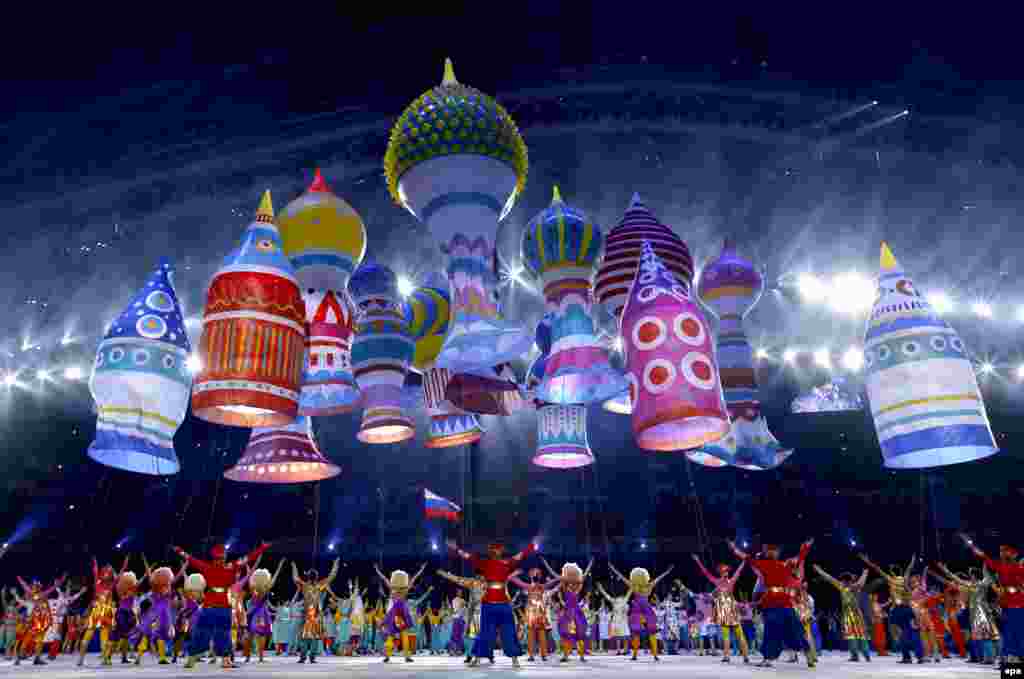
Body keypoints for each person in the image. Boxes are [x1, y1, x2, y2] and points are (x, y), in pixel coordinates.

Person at [172, 540, 271, 669]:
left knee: (204, 632)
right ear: (223, 557)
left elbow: (191, 559)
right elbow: (248, 558)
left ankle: (193, 659)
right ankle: (223, 660)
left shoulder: (208, 567)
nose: (221, 559)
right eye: (221, 557)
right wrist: (261, 548)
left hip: (210, 605)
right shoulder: (231, 566)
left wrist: (180, 551)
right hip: (223, 605)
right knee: (223, 633)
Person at [448, 538, 538, 668]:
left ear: (500, 551)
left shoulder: (506, 563)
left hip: (502, 603)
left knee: (508, 631)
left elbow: (521, 555)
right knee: (485, 632)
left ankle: (514, 659)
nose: (496, 552)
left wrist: (531, 547)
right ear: (491, 552)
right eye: (494, 549)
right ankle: (477, 659)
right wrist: (456, 549)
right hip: (489, 603)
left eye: (498, 549)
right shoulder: (486, 563)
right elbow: (468, 557)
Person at [729, 539, 814, 668]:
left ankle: (808, 655)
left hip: (784, 602)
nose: (771, 552)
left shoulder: (786, 564)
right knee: (770, 631)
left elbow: (800, 557)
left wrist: (806, 546)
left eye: (773, 550)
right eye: (768, 550)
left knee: (796, 628)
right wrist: (734, 549)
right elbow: (746, 558)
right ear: (766, 552)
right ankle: (768, 658)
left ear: (777, 552)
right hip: (771, 602)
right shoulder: (763, 564)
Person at [961, 534, 1024, 664]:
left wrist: (1014, 589)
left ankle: (1015, 656)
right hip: (1006, 604)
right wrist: (972, 546)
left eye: (1004, 550)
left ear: (1013, 553)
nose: (1001, 553)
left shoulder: (1019, 567)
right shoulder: (1001, 566)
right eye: (1000, 551)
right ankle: (1009, 656)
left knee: (1016, 630)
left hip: (1018, 603)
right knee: (1008, 631)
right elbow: (984, 557)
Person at [859, 552, 924, 663]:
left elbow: (877, 569)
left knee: (903, 633)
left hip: (898, 610)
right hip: (907, 609)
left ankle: (907, 656)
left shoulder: (891, 579)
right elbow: (908, 569)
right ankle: (917, 656)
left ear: (892, 572)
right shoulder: (904, 579)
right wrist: (912, 561)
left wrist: (867, 561)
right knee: (911, 632)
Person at [935, 562, 999, 665]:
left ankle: (990, 658)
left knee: (985, 636)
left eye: (971, 574)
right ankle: (981, 657)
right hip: (973, 613)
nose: (970, 576)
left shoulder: (983, 584)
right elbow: (956, 579)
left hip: (982, 613)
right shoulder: (970, 584)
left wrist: (985, 566)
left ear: (974, 576)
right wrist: (944, 570)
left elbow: (989, 576)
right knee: (977, 637)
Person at [608, 562, 674, 661]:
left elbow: (622, 577)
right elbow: (659, 578)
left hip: (638, 610)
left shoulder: (634, 586)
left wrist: (613, 569)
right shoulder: (648, 585)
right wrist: (667, 572)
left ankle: (638, 655)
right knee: (649, 633)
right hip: (645, 609)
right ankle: (653, 655)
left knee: (637, 634)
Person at [692, 554, 750, 663]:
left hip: (730, 609)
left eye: (726, 572)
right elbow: (706, 573)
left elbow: (739, 571)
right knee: (726, 635)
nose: (725, 573)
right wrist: (698, 561)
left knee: (739, 634)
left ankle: (745, 655)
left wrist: (744, 562)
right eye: (724, 572)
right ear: (721, 573)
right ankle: (728, 656)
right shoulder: (718, 582)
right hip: (725, 610)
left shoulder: (728, 581)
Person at [77, 556, 128, 666]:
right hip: (102, 612)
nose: (105, 573)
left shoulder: (102, 583)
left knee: (94, 635)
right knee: (98, 635)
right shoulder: (106, 584)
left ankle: (86, 659)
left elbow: (118, 572)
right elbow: (119, 572)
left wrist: (96, 563)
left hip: (101, 611)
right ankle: (99, 659)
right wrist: (96, 563)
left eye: (107, 571)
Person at [813, 564, 870, 661]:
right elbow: (861, 581)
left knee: (852, 635)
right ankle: (865, 655)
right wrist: (865, 572)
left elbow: (830, 578)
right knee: (861, 634)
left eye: (842, 580)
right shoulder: (852, 587)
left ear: (844, 580)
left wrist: (820, 571)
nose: (841, 581)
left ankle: (856, 655)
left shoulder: (846, 587)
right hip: (857, 615)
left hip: (851, 615)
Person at [376, 562, 427, 663]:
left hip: (395, 612)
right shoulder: (404, 589)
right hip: (401, 612)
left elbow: (384, 579)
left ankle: (388, 656)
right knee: (403, 635)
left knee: (392, 635)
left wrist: (378, 570)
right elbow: (414, 578)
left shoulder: (393, 589)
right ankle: (405, 656)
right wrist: (421, 569)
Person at [291, 558, 339, 663]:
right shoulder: (319, 585)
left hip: (307, 614)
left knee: (304, 637)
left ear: (308, 576)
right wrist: (335, 565)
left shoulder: (304, 586)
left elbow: (295, 578)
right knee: (314, 637)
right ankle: (311, 658)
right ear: (316, 577)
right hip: (315, 614)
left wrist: (294, 567)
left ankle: (303, 657)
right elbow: (332, 576)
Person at [13, 574, 66, 665]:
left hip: (41, 620)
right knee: (28, 638)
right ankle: (20, 657)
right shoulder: (35, 593)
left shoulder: (40, 593)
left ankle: (36, 658)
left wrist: (61, 580)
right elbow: (25, 586)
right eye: (35, 585)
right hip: (35, 620)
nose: (36, 587)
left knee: (39, 640)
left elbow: (53, 588)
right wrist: (19, 578)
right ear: (34, 586)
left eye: (37, 585)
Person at [508, 566, 558, 661]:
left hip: (537, 611)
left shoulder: (539, 586)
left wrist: (515, 573)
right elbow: (510, 578)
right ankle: (534, 655)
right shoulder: (532, 586)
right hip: (533, 612)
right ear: (531, 576)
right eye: (534, 574)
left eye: (537, 574)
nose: (535, 576)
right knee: (532, 634)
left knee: (540, 634)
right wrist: (515, 573)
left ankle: (542, 655)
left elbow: (557, 580)